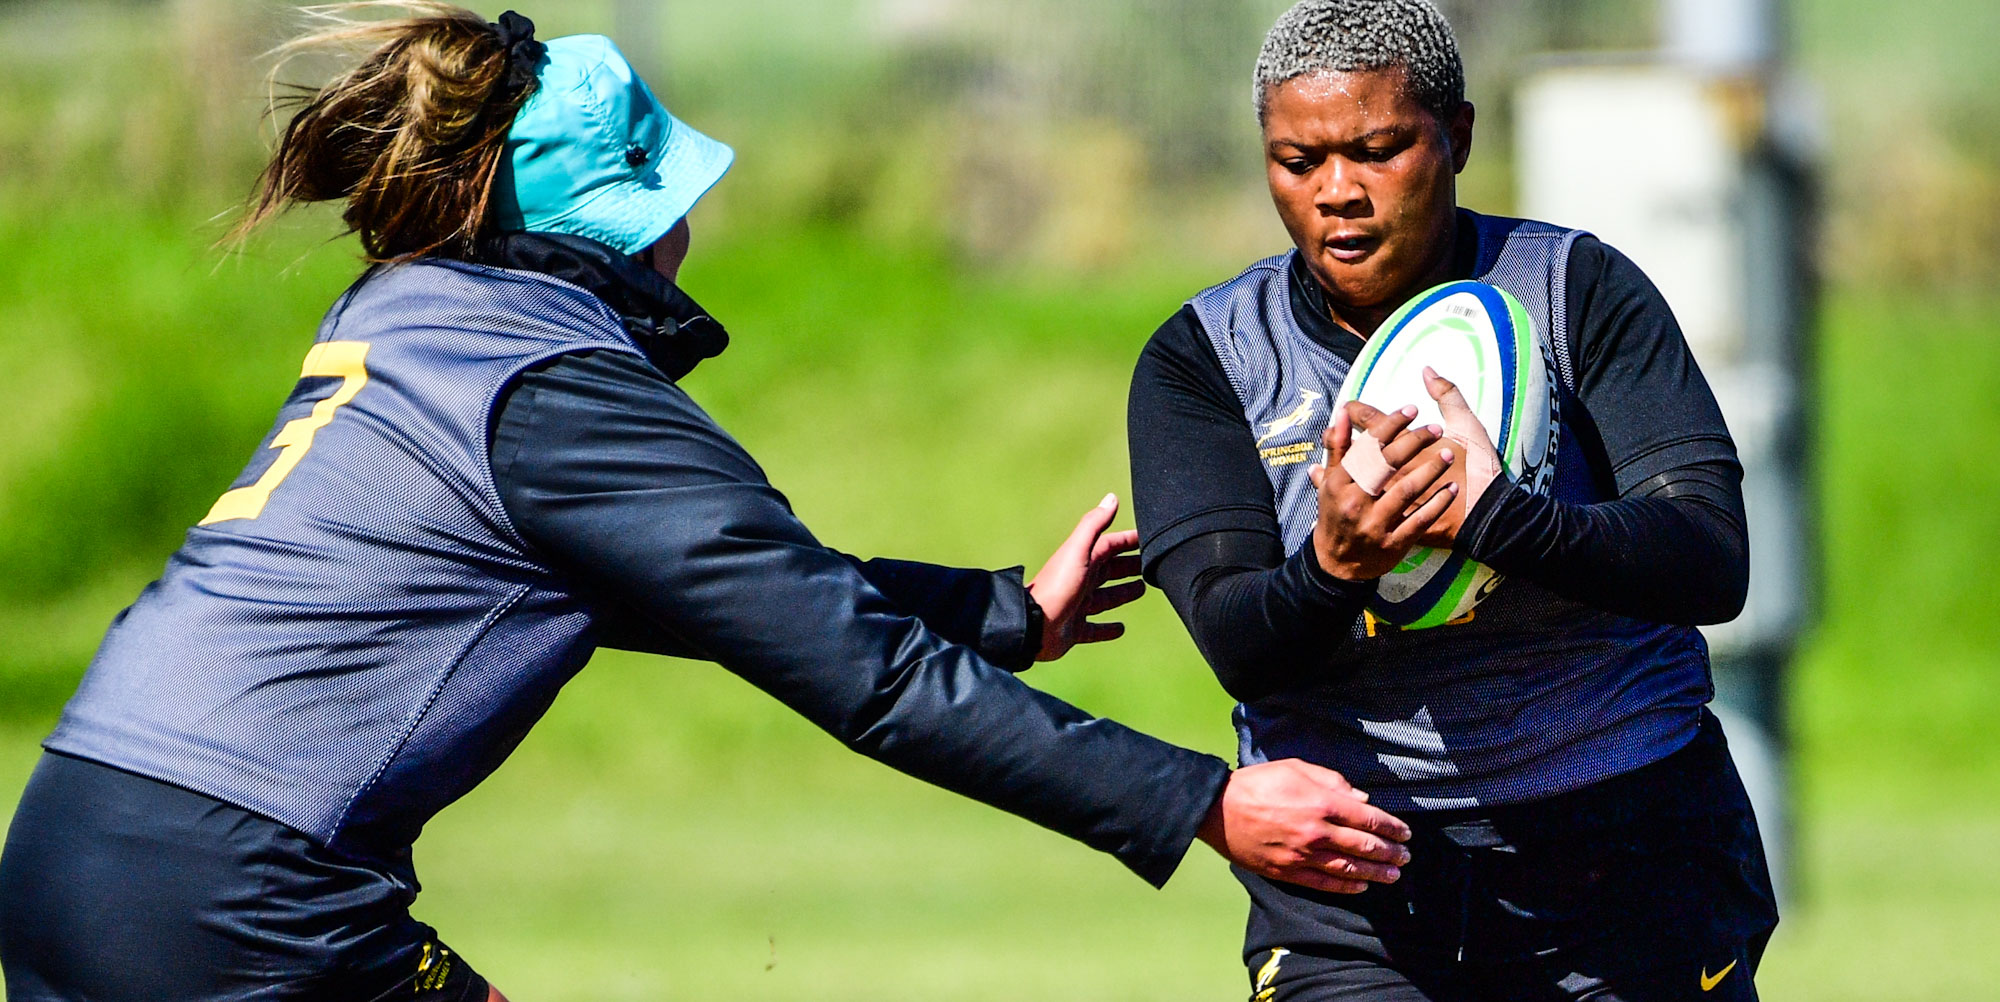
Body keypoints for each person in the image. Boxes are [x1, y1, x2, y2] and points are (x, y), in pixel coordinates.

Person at [0, 6, 1418, 1001]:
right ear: (617, 220)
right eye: (675, 199)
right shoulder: (559, 391)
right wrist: (1202, 800)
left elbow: (718, 588)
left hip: (74, 834)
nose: (694, 229)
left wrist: (1001, 613)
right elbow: (851, 669)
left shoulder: (419, 319)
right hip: (239, 891)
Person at [1125, 1, 1780, 999]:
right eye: (1297, 162)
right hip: (1357, 883)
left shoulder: (1575, 291)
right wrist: (1335, 566)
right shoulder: (1206, 359)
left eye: (1377, 149)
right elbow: (1234, 638)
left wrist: (1503, 523)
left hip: (1631, 843)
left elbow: (1709, 558)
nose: (1336, 192)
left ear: (1457, 136)